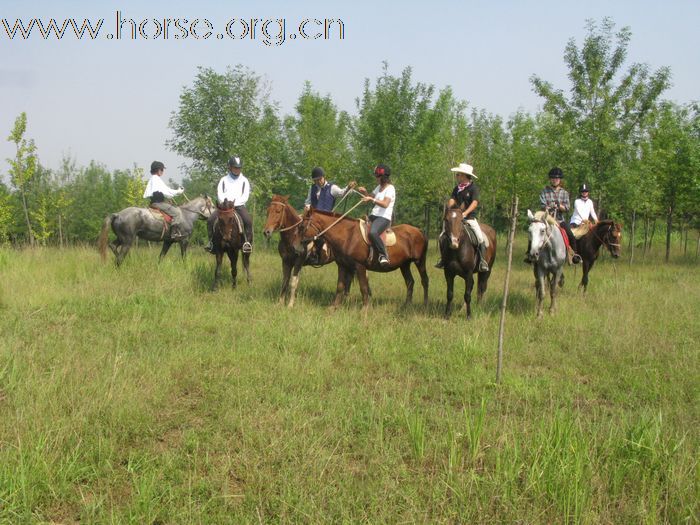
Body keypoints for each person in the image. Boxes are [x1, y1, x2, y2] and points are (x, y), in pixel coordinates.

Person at [435, 163, 489, 272]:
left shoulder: (473, 188)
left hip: (469, 218)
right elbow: (452, 200)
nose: (457, 176)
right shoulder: (457, 188)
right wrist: (448, 207)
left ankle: (482, 261)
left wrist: (464, 213)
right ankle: (443, 260)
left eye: (458, 174)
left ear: (464, 176)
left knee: (480, 238)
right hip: (455, 219)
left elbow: (474, 203)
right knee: (442, 236)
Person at [525, 167, 581, 264]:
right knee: (534, 232)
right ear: (550, 179)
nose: (554, 180)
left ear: (560, 180)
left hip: (559, 220)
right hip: (546, 219)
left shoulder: (564, 193)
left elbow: (567, 208)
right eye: (552, 178)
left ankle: (574, 255)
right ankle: (530, 254)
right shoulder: (544, 191)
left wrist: (559, 206)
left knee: (570, 235)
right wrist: (549, 207)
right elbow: (542, 205)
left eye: (556, 178)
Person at [304, 166, 356, 263]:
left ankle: (326, 249)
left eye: (319, 179)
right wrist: (307, 207)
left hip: (326, 220)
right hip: (313, 218)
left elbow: (342, 193)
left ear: (324, 177)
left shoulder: (332, 188)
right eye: (315, 180)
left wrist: (349, 187)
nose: (317, 182)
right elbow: (308, 201)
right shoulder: (312, 188)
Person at [206, 155, 253, 253]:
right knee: (210, 220)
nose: (237, 169)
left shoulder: (244, 180)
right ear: (230, 167)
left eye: (239, 168)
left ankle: (247, 243)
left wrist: (234, 204)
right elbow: (220, 193)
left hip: (239, 206)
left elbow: (245, 196)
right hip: (224, 207)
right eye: (235, 167)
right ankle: (211, 243)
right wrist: (226, 204)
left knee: (248, 221)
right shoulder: (223, 180)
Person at [357, 164, 395, 266]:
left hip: (384, 218)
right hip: (374, 215)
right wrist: (365, 193)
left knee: (373, 233)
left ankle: (383, 255)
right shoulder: (378, 187)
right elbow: (370, 197)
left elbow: (385, 204)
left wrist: (371, 199)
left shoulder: (390, 188)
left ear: (383, 177)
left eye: (377, 176)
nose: (376, 178)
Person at [142, 161, 185, 239]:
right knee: (177, 213)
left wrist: (169, 198)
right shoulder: (157, 179)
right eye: (162, 169)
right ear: (158, 170)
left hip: (154, 203)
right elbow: (167, 191)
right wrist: (179, 191)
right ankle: (174, 233)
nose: (162, 171)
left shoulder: (152, 179)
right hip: (158, 204)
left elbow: (163, 192)